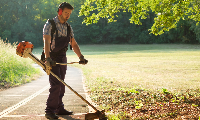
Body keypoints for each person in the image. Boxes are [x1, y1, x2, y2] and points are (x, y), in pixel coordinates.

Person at [42, 2, 88, 119]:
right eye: (66, 12)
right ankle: (49, 111)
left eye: (70, 13)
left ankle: (59, 108)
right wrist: (47, 58)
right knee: (56, 84)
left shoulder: (68, 27)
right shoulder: (50, 24)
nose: (68, 15)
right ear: (60, 11)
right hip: (51, 58)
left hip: (62, 58)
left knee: (61, 83)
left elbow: (73, 43)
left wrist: (81, 57)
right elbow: (46, 42)